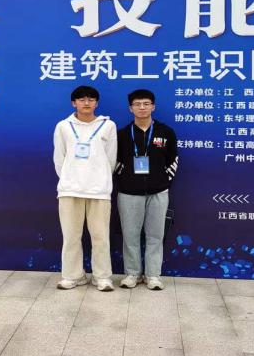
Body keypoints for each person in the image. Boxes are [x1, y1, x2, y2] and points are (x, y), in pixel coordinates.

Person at [53, 85, 118, 291]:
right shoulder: (63, 126)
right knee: (71, 236)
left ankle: (102, 277)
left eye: (91, 99)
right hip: (70, 190)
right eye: (81, 99)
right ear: (74, 103)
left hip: (99, 190)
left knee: (100, 237)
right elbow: (59, 158)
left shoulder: (108, 126)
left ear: (97, 103)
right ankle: (73, 276)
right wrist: (70, 178)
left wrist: (100, 179)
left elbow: (111, 159)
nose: (86, 103)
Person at [114, 89, 178, 290]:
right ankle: (132, 273)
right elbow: (114, 162)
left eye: (146, 103)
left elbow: (173, 160)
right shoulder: (122, 135)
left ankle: (153, 275)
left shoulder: (166, 132)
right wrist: (124, 180)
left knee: (155, 236)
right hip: (128, 193)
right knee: (130, 236)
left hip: (158, 192)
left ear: (153, 106)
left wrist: (163, 182)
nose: (142, 107)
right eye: (137, 104)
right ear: (130, 108)